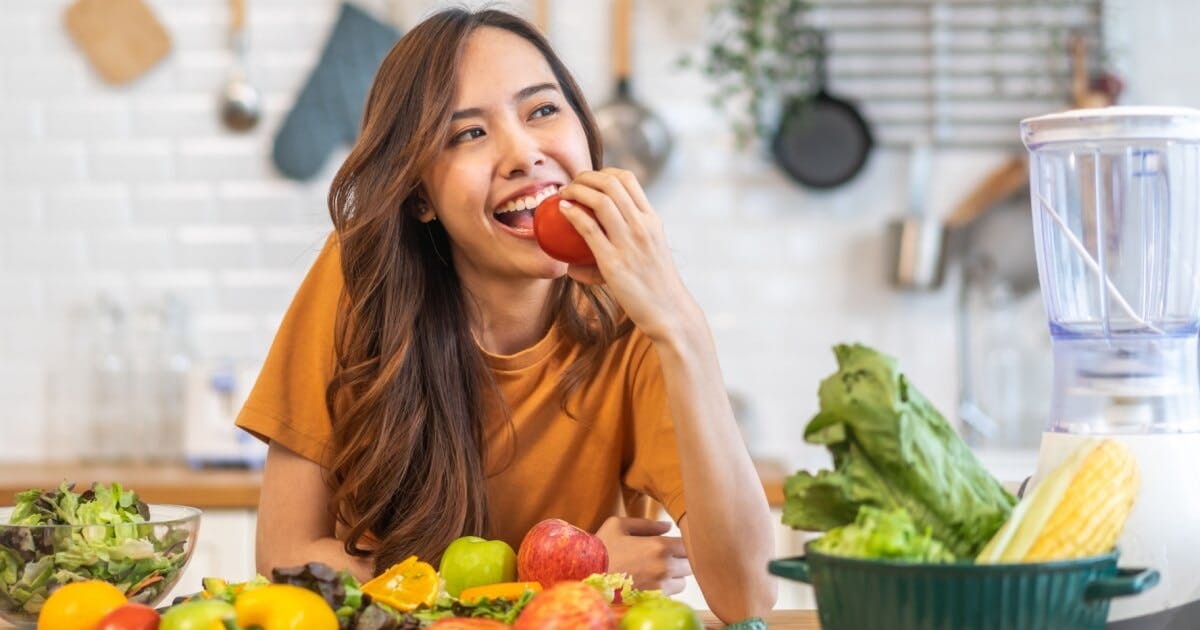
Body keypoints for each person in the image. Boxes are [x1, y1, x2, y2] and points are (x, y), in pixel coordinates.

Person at [235, 8, 775, 622]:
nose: (523, 153)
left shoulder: (638, 321)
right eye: (467, 134)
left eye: (542, 110)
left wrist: (681, 326)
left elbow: (747, 595)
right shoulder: (359, 280)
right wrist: (568, 572)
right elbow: (286, 560)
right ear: (420, 198)